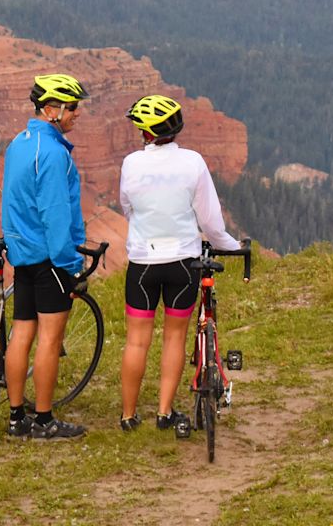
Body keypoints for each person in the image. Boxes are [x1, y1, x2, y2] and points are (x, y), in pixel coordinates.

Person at [118, 94, 240, 432]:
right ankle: (164, 412)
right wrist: (228, 245)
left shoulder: (131, 164)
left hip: (142, 263)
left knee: (136, 341)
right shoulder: (193, 162)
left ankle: (128, 416)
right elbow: (210, 220)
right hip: (183, 263)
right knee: (174, 337)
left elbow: (127, 207)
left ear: (144, 131)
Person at [0, 73, 91, 440]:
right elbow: (56, 214)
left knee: (21, 333)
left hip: (22, 256)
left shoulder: (17, 145)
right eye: (72, 108)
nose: (76, 115)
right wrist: (71, 264)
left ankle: (15, 418)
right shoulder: (54, 154)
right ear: (52, 110)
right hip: (50, 260)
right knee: (50, 340)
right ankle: (43, 420)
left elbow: (12, 200)